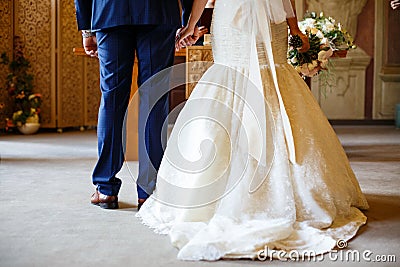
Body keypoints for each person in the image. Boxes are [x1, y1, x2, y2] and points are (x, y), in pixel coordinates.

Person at [137, 0, 369, 261]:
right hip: (265, 18)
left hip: (239, 16)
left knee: (251, 74)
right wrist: (294, 28)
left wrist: (192, 24)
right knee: (261, 75)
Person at [74, 0, 205, 210]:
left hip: (109, 12)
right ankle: (149, 191)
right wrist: (188, 20)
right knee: (153, 99)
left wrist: (87, 31)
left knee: (112, 98)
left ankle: (106, 188)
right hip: (158, 11)